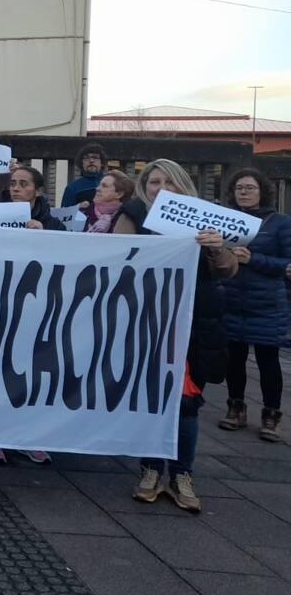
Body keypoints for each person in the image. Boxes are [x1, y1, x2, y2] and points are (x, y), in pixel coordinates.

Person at [114, 159, 235, 512]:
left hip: (195, 324)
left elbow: (227, 270)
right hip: (149, 322)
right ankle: (151, 469)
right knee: (150, 398)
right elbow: (120, 260)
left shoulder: (206, 218)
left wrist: (215, 247)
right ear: (144, 187)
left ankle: (182, 474)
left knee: (187, 403)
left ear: (184, 187)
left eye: (170, 182)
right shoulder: (132, 215)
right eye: (154, 182)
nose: (161, 188)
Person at [0, 165, 64, 465]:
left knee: (30, 370)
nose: (16, 188)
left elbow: (71, 251)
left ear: (37, 191)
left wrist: (47, 233)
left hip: (37, 307)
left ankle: (27, 436)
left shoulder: (50, 221)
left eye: (23, 184)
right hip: (0, 303)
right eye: (13, 183)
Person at [217, 168, 291, 442]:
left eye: (249, 188)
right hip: (233, 300)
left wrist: (253, 260)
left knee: (268, 362)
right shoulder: (225, 221)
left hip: (266, 305)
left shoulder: (280, 222)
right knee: (234, 361)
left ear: (262, 190)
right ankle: (235, 407)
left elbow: (287, 264)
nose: (244, 193)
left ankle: (271, 415)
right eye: (239, 189)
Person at [82, 169, 133, 233]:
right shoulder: (82, 213)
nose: (97, 188)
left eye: (104, 186)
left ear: (119, 194)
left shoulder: (127, 217)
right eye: (99, 185)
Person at [60, 142, 106, 207]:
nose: (91, 160)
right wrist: (78, 207)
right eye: (86, 158)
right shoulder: (72, 188)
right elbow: (64, 213)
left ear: (102, 163)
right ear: (82, 163)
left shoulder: (111, 184)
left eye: (95, 157)